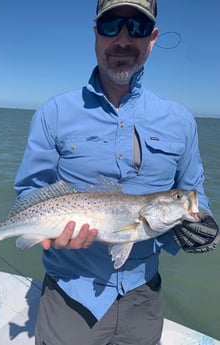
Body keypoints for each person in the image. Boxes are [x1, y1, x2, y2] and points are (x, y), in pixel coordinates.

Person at [14, 1, 219, 344]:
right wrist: (46, 230)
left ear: (152, 38)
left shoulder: (181, 120)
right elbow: (30, 192)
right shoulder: (54, 112)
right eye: (111, 25)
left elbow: (192, 192)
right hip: (70, 295)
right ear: (96, 33)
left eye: (137, 27)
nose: (122, 39)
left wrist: (204, 224)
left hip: (144, 296)